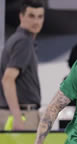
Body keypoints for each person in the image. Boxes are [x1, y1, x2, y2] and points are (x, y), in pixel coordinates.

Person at [0, 0, 45, 131]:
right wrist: (17, 117)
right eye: (31, 16)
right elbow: (8, 79)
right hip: (22, 115)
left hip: (16, 113)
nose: (36, 21)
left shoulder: (17, 39)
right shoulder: (23, 42)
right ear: (21, 16)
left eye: (40, 16)